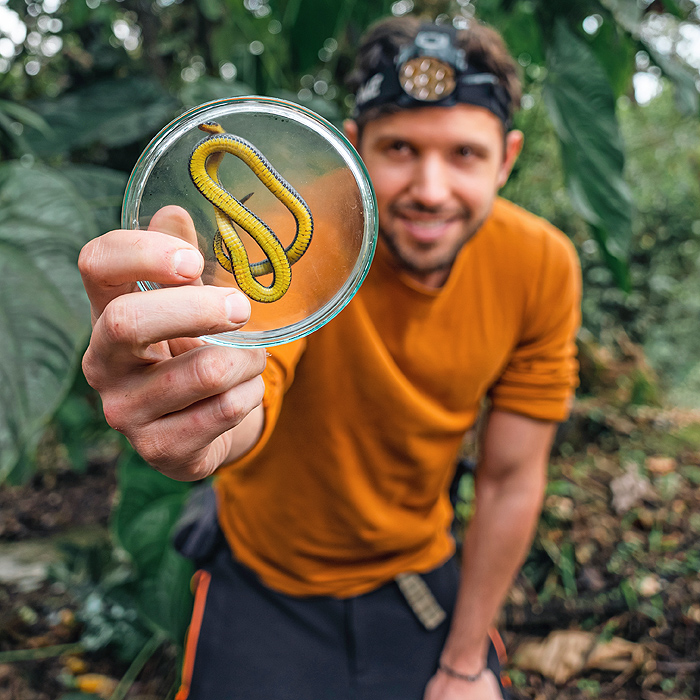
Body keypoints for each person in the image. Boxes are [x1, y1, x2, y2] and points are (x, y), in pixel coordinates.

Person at [79, 15, 581, 700]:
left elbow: (511, 479)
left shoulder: (541, 265)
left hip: (417, 578)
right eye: (400, 147)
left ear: (508, 157)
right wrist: (198, 403)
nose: (430, 189)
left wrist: (465, 664)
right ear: (355, 147)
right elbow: (254, 383)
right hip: (262, 580)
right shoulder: (295, 237)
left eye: (464, 154)